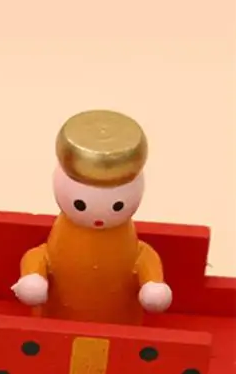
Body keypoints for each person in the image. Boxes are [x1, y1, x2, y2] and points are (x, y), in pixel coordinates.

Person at [11, 109, 173, 324]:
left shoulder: (129, 244)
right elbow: (40, 256)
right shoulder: (63, 237)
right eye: (80, 204)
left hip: (122, 324)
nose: (99, 218)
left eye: (117, 206)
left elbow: (144, 258)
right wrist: (33, 278)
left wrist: (153, 286)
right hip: (56, 322)